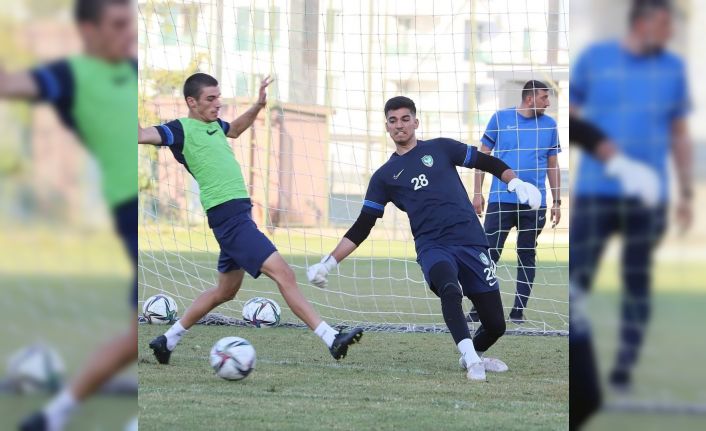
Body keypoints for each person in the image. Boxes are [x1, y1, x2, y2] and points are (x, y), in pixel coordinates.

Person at [307, 96, 542, 381]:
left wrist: (514, 181)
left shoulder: (441, 148)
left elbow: (487, 161)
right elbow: (362, 226)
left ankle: (472, 354)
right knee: (449, 289)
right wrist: (328, 263)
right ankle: (471, 361)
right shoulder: (384, 177)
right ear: (387, 127)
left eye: (405, 119)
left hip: (471, 241)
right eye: (393, 120)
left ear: (416, 122)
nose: (399, 125)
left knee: (496, 325)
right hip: (434, 247)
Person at [138, 73, 363, 365]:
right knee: (284, 274)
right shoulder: (179, 129)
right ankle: (331, 338)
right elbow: (141, 135)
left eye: (218, 97)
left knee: (225, 292)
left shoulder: (215, 126)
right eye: (210, 99)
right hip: (229, 218)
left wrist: (258, 105)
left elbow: (234, 129)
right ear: (191, 102)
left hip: (237, 216)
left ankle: (167, 340)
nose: (217, 103)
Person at [0, 1, 138, 430]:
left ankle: (52, 416)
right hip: (129, 208)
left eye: (130, 23)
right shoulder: (70, 75)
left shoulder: (135, 70)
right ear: (89, 30)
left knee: (136, 336)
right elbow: (8, 83)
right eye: (118, 25)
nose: (129, 33)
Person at [570, 0, 692, 427]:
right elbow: (572, 117)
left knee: (637, 281)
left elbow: (679, 133)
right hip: (595, 192)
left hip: (648, 197)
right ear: (643, 22)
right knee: (576, 281)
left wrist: (686, 192)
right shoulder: (594, 58)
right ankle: (579, 366)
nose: (670, 33)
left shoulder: (674, 69)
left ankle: (623, 364)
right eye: (665, 24)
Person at [467, 80, 561, 323]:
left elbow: (553, 165)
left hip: (534, 204)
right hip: (501, 200)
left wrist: (557, 200)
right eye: (544, 97)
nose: (548, 103)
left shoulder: (550, 125)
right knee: (488, 254)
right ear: (530, 98)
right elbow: (482, 157)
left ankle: (518, 312)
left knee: (526, 254)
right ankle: (478, 310)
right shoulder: (500, 119)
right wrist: (477, 193)